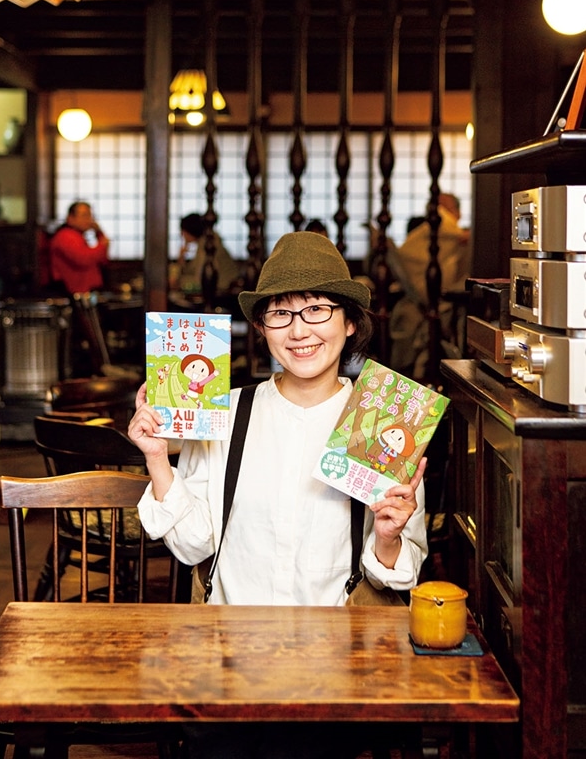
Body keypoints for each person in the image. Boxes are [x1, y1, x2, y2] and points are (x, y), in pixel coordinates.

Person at [128, 230, 427, 759]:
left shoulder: (384, 419)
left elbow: (395, 573)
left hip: (339, 668)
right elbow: (195, 547)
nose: (299, 330)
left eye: (317, 310)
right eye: (281, 314)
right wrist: (157, 458)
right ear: (262, 328)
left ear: (350, 322)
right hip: (228, 663)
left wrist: (387, 536)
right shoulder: (227, 413)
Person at [389, 192, 471, 376]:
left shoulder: (464, 238)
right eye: (434, 209)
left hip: (452, 302)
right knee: (406, 317)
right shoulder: (429, 234)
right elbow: (410, 258)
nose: (438, 214)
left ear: (457, 213)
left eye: (444, 209)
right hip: (417, 299)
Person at [168, 213, 240, 303]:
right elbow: (191, 271)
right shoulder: (204, 242)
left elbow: (199, 279)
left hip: (223, 293)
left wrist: (177, 282)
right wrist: (181, 258)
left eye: (183, 231)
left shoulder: (209, 245)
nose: (182, 235)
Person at [48, 201, 110, 294]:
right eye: (84, 215)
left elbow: (102, 260)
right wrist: (101, 245)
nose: (89, 220)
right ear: (70, 218)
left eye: (90, 216)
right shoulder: (65, 236)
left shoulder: (78, 235)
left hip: (86, 291)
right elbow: (83, 259)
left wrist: (99, 233)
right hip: (73, 291)